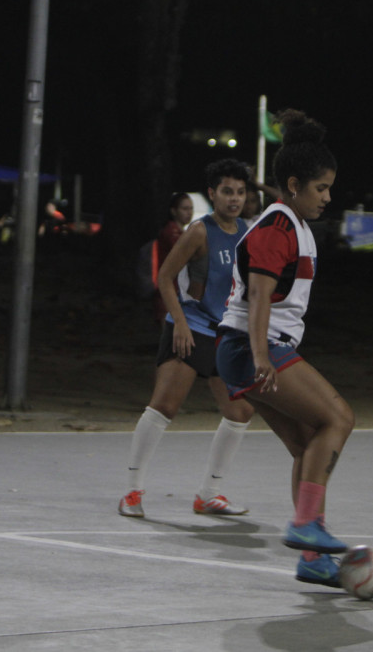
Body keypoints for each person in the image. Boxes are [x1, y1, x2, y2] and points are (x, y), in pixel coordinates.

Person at [214, 109, 354, 589]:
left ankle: (312, 556)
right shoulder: (278, 226)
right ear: (293, 184)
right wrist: (259, 357)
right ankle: (306, 525)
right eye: (321, 188)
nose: (328, 197)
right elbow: (257, 294)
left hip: (244, 348)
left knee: (305, 446)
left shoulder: (292, 224)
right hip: (252, 346)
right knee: (338, 420)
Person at [119, 159, 256, 518]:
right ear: (212, 194)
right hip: (191, 327)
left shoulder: (246, 231)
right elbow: (165, 277)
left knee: (240, 412)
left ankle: (208, 495)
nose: (234, 198)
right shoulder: (198, 231)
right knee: (164, 407)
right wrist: (178, 322)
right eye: (227, 191)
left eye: (240, 192)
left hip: (225, 333)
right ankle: (132, 493)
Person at [152, 192, 195, 321]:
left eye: (191, 208)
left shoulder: (182, 232)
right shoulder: (172, 233)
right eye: (184, 209)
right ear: (174, 211)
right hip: (170, 292)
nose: (189, 212)